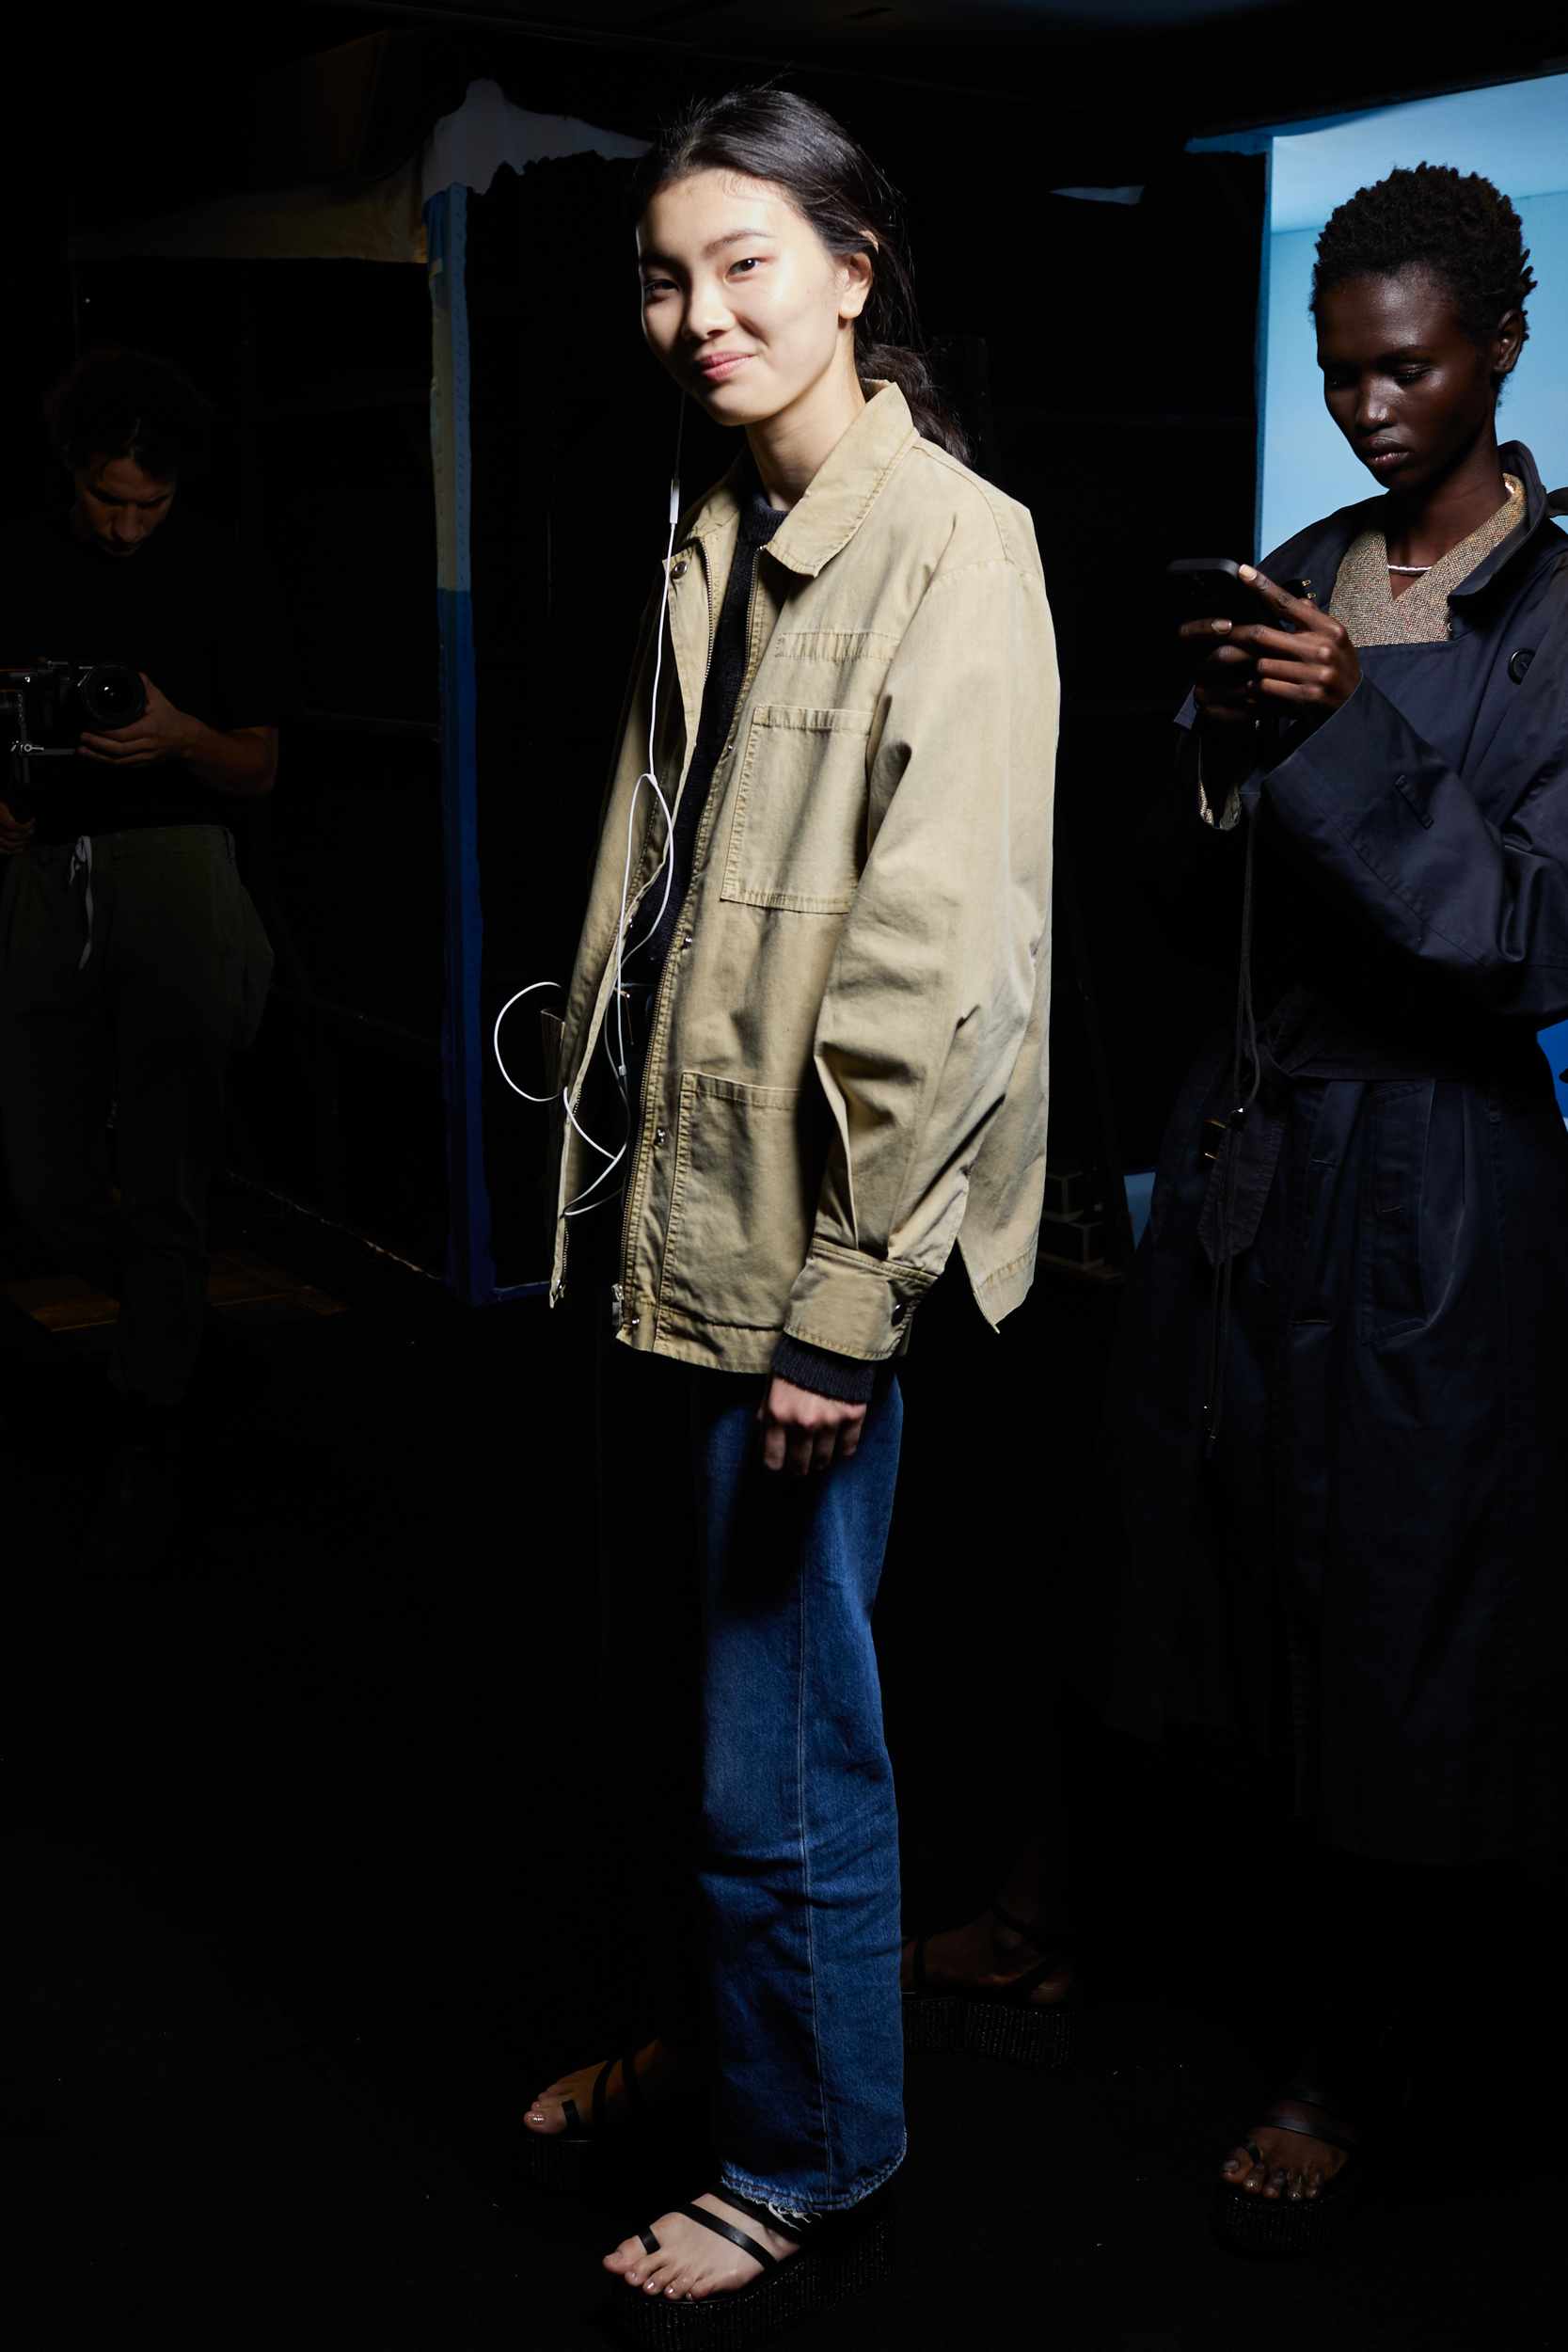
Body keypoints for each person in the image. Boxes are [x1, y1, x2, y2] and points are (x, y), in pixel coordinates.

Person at [903, 163, 1568, 2257]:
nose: (1369, 408)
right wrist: (1213, 751)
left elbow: (1531, 942)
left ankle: (1344, 2053)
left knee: (1388, 1606)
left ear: (1501, 351)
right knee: (1151, 1531)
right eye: (1339, 370)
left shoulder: (1562, 619)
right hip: (1254, 1134)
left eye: (1410, 369)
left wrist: (1348, 731)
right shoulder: (1298, 574)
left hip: (1435, 1179)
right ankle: (1046, 1918)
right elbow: (1194, 892)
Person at [517, 87, 1057, 2336]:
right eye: (666, 275)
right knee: (660, 1708)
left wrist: (847, 1302)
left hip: (800, 1274)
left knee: (784, 1745)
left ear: (854, 270)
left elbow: (951, 965)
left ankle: (811, 2151)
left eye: (746, 262)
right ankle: (709, 2050)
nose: (701, 312)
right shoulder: (708, 516)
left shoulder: (956, 543)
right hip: (667, 1224)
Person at [0, 347, 290, 1571]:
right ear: (70, 469)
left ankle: (150, 1416)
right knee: (44, 1182)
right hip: (40, 867)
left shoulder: (222, 569)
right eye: (105, 499)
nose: (125, 527)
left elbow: (259, 767)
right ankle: (172, 1323)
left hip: (177, 858)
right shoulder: (17, 560)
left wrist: (177, 736)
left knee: (170, 1163)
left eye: (150, 506)